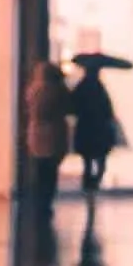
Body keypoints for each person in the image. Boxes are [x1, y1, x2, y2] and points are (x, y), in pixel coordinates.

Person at [24, 60, 73, 228]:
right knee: (50, 172)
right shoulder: (56, 91)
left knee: (39, 169)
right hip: (53, 134)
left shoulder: (33, 90)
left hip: (36, 134)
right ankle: (46, 201)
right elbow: (68, 107)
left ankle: (38, 201)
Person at [68, 62, 123, 206]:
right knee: (101, 161)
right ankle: (93, 185)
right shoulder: (100, 88)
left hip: (86, 129)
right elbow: (108, 110)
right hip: (100, 129)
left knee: (87, 161)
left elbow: (73, 106)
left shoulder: (81, 87)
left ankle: (88, 187)